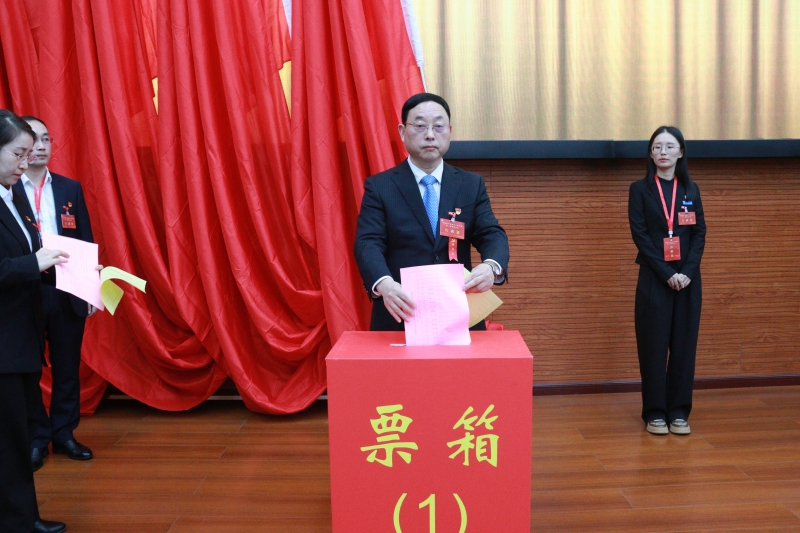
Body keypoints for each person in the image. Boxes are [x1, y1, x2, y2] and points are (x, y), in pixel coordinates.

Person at [354, 93, 509, 331]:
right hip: (401, 315)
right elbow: (368, 243)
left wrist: (491, 266)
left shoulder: (470, 184)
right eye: (419, 126)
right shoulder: (380, 187)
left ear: (449, 131)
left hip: (459, 316)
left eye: (438, 126)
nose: (429, 135)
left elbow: (491, 234)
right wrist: (384, 284)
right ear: (402, 132)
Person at [0, 109, 68, 533]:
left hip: (21, 339)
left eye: (29, 154)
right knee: (9, 440)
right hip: (4, 344)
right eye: (18, 154)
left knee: (20, 435)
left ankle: (21, 517)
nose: (26, 163)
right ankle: (20, 522)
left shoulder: (13, 195)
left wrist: (76, 274)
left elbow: (30, 257)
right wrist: (34, 263)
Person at [14, 116, 95, 470]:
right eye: (33, 139)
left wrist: (88, 289)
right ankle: (36, 437)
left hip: (66, 288)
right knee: (28, 368)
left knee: (66, 366)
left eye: (46, 138)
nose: (41, 146)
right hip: (24, 290)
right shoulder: (8, 189)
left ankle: (64, 433)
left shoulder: (68, 188)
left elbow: (84, 238)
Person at [628, 126, 706, 436]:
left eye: (669, 146)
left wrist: (686, 272)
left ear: (680, 152)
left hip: (688, 280)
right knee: (654, 347)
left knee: (684, 348)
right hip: (654, 279)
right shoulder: (640, 189)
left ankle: (679, 412)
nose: (663, 151)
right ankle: (655, 413)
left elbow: (699, 234)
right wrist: (667, 273)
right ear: (650, 153)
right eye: (657, 146)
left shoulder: (691, 189)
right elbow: (640, 236)